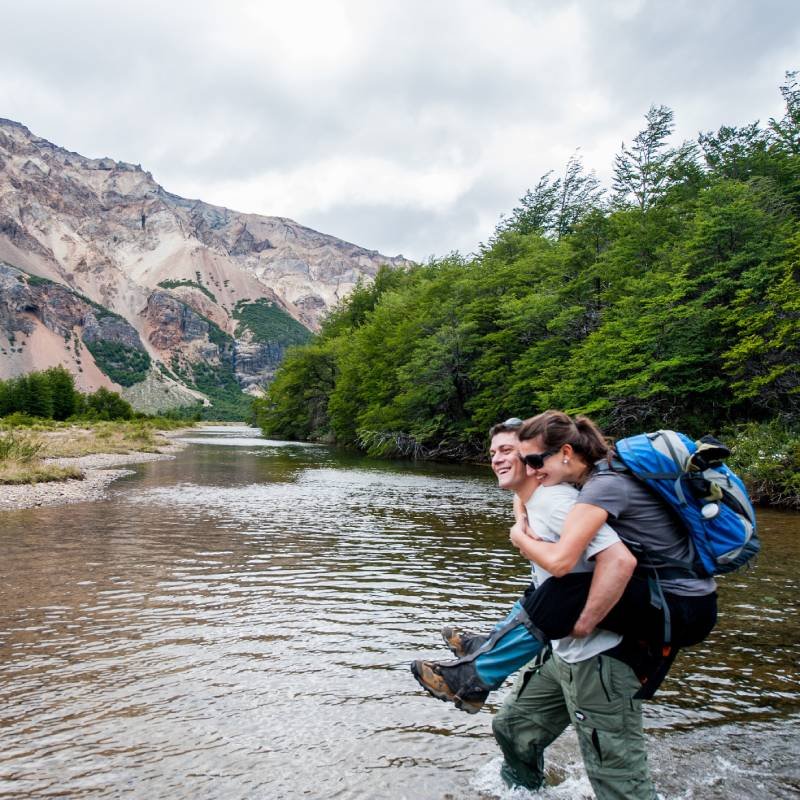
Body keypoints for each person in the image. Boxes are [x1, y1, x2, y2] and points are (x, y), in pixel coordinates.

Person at [490, 410, 717, 799]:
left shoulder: (597, 490)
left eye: (531, 460)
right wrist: (521, 509)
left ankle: (479, 665)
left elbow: (589, 561)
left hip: (659, 617)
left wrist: (584, 621)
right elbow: (535, 504)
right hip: (582, 647)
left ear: (564, 453)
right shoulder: (587, 480)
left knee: (615, 777)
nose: (529, 468)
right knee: (513, 726)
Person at [411, 417, 636, 713]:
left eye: (506, 450)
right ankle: (484, 650)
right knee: (513, 729)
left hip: (597, 653)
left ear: (532, 458)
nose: (496, 460)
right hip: (561, 649)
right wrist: (520, 520)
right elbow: (525, 501)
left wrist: (585, 624)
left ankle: (474, 676)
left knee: (611, 757)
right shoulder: (533, 500)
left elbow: (619, 560)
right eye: (493, 453)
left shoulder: (558, 502)